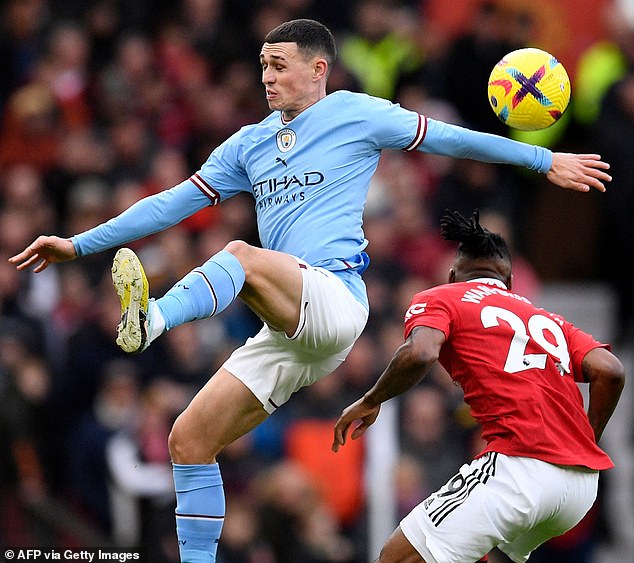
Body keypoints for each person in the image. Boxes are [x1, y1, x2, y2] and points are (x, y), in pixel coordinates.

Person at [9, 18, 613, 563]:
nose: (266, 77)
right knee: (188, 439)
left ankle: (154, 319)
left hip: (335, 300)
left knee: (241, 256)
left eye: (278, 65)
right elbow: (170, 203)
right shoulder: (248, 144)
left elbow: (450, 139)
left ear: (317, 69)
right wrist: (79, 243)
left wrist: (542, 161)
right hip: (292, 328)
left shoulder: (356, 113)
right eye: (262, 66)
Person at [332, 209, 625, 563]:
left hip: (519, 469)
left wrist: (372, 398)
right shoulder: (548, 319)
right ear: (510, 282)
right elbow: (610, 370)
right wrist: (586, 439)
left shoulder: (442, 297)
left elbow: (421, 353)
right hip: (579, 488)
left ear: (453, 275)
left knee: (397, 558)